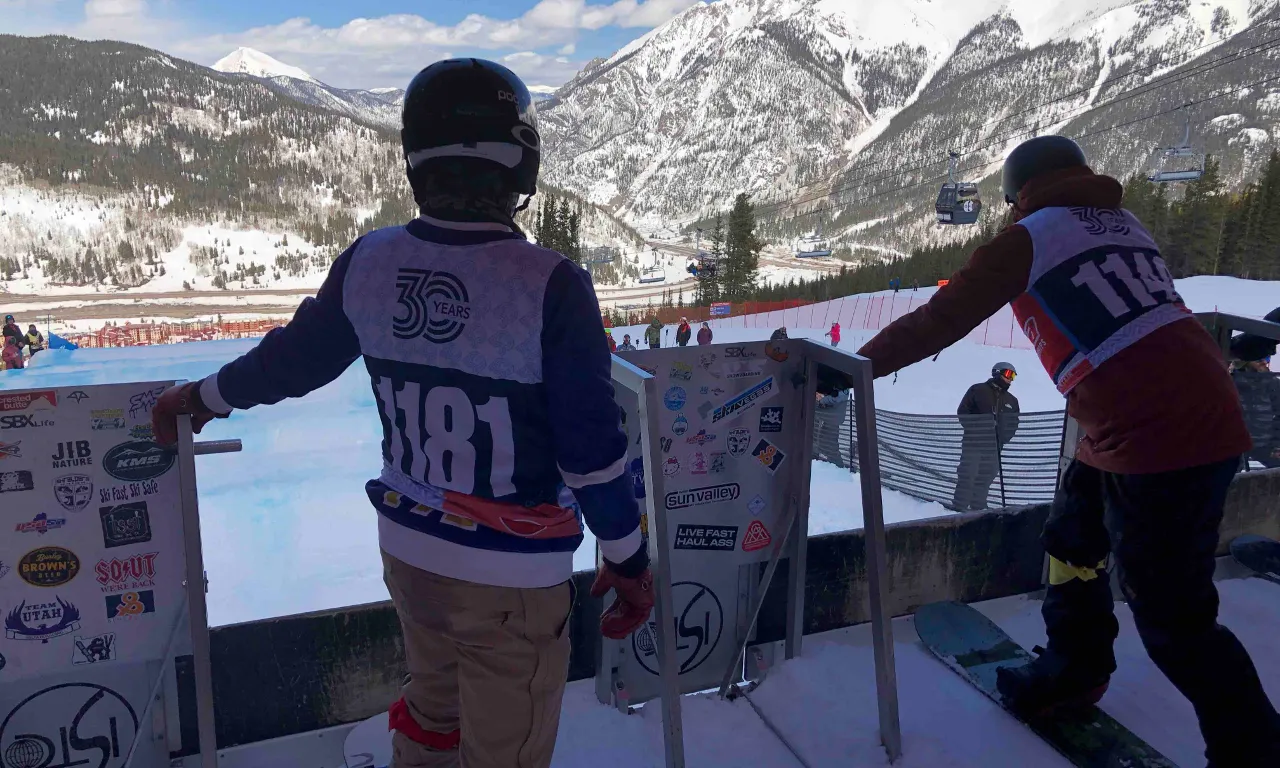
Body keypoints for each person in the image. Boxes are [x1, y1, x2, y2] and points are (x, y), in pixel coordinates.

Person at [150, 58, 653, 768]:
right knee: (503, 749)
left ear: (417, 160)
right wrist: (629, 561)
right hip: (510, 577)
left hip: (410, 551)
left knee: (432, 714)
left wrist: (200, 399)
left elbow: (290, 362)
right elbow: (590, 453)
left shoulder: (370, 261)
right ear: (521, 163)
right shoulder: (552, 284)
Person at [855, 134, 1279, 766]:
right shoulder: (1124, 221)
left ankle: (1255, 749)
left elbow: (941, 318)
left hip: (1157, 433)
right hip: (1170, 412)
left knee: (1172, 615)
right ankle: (1074, 669)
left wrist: (852, 366)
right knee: (1074, 539)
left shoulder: (1030, 235)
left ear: (1016, 195)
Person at [951, 363, 1020, 511]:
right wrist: (977, 431)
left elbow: (1014, 423)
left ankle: (978, 506)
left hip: (994, 447)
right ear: (996, 372)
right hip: (973, 444)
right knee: (968, 474)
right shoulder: (978, 390)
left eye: (1013, 376)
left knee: (986, 476)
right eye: (1008, 374)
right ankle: (959, 506)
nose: (1010, 379)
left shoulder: (1012, 401)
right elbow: (963, 411)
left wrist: (1003, 438)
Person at [1230, 353, 1280, 470]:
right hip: (1235, 444)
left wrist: (1276, 446)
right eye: (1258, 358)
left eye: (1266, 357)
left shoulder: (1273, 383)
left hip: (1265, 444)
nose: (1263, 361)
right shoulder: (1230, 381)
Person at [814, 387, 850, 467]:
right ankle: (814, 461)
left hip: (833, 417)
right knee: (816, 440)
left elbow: (841, 396)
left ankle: (837, 467)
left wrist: (822, 399)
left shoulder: (842, 385)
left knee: (828, 442)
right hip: (824, 413)